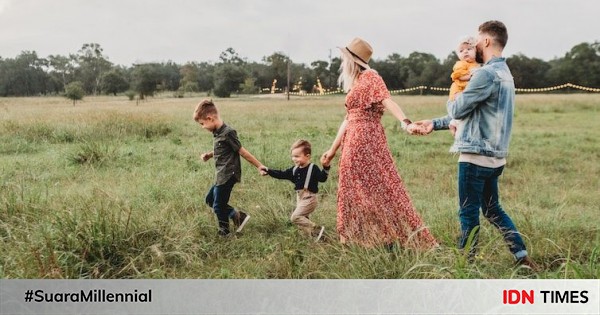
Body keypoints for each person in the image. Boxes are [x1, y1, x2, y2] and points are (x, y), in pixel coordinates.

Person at [412, 21, 538, 269]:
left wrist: (454, 96)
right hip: (496, 157)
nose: (475, 45)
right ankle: (522, 257)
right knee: (493, 210)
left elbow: (458, 108)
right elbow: (475, 114)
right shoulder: (505, 74)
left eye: (478, 41)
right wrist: (435, 124)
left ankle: (464, 265)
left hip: (474, 156)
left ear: (488, 42)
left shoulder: (485, 74)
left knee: (468, 212)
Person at [320, 37, 438, 248]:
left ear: (352, 60)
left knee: (379, 186)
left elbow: (387, 100)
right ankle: (360, 238)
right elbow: (348, 118)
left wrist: (405, 123)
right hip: (353, 138)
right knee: (354, 189)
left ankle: (381, 236)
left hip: (365, 138)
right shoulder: (356, 82)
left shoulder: (371, 76)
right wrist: (332, 150)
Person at [193, 99, 266, 236]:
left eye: (202, 124)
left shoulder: (228, 132)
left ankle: (224, 232)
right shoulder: (218, 133)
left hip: (228, 175)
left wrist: (259, 166)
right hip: (220, 175)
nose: (202, 127)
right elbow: (223, 150)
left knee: (218, 206)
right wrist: (209, 155)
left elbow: (242, 151)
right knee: (210, 200)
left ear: (210, 118)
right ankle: (237, 216)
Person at [260, 139, 329, 241]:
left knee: (295, 217)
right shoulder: (295, 169)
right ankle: (318, 237)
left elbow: (322, 178)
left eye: (297, 156)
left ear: (307, 156)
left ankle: (317, 229)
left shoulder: (313, 168)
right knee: (303, 221)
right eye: (293, 156)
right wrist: (268, 170)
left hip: (310, 198)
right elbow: (281, 174)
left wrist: (326, 167)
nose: (294, 159)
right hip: (300, 198)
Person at [448, 36, 480, 137]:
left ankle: (455, 123)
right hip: (459, 89)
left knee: (467, 109)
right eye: (461, 51)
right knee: (461, 105)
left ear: (476, 51)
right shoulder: (461, 64)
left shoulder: (477, 64)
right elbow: (459, 76)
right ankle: (455, 123)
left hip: (467, 89)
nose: (465, 52)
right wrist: (471, 76)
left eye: (469, 49)